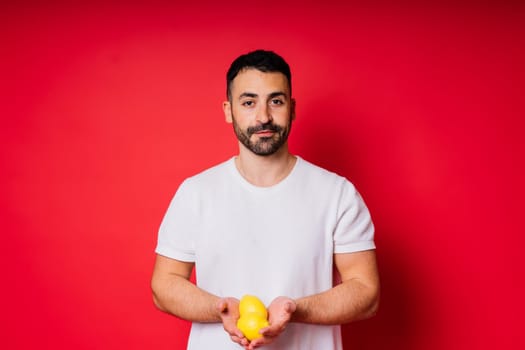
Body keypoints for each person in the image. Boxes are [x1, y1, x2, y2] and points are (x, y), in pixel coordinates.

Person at [151, 49, 380, 350]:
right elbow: (163, 285)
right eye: (248, 102)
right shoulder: (196, 193)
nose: (263, 117)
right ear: (228, 110)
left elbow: (366, 292)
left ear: (292, 108)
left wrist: (296, 310)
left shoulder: (337, 193)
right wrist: (220, 308)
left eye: (276, 101)